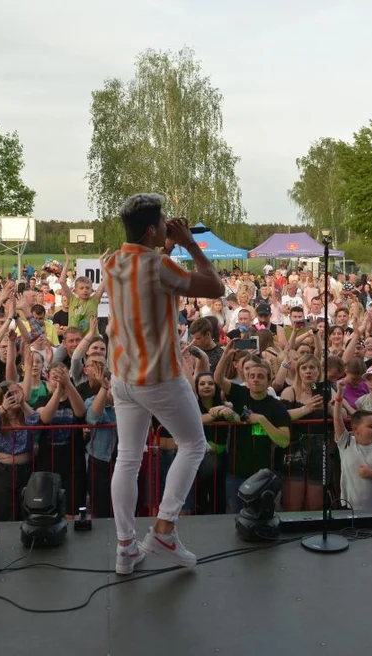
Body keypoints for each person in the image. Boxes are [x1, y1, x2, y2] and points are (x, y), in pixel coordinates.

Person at [103, 194, 223, 575]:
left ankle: (125, 548)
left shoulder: (112, 262)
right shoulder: (159, 266)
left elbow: (145, 267)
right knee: (193, 444)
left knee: (128, 458)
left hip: (122, 377)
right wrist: (189, 243)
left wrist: (165, 244)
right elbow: (216, 288)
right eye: (164, 222)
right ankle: (164, 529)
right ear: (153, 229)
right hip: (159, 377)